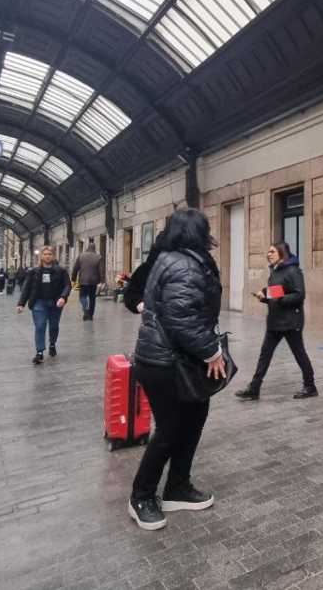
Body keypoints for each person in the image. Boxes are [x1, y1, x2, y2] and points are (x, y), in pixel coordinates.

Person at [128, 208, 226, 531]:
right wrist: (211, 351)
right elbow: (180, 318)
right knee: (171, 430)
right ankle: (141, 496)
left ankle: (177, 487)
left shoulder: (175, 258)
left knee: (194, 418)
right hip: (164, 362)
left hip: (177, 359)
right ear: (197, 232)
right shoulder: (183, 264)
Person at [234, 242, 318, 401]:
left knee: (299, 354)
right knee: (264, 355)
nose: (268, 254)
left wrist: (277, 298)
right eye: (268, 251)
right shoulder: (275, 271)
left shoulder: (293, 271)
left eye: (272, 251)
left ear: (281, 253)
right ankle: (254, 388)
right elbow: (277, 294)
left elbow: (299, 295)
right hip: (274, 322)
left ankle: (310, 386)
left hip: (291, 323)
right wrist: (265, 296)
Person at [16, 246, 71, 365]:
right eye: (45, 254)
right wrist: (21, 304)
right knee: (40, 326)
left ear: (53, 256)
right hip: (39, 302)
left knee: (54, 326)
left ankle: (52, 343)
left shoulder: (61, 271)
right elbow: (26, 288)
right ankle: (39, 352)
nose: (47, 256)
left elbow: (67, 285)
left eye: (50, 254)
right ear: (41, 256)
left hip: (56, 302)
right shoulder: (33, 272)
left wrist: (63, 297)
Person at [72, 243, 105, 321]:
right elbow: (101, 271)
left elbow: (75, 268)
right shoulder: (98, 257)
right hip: (93, 281)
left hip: (83, 280)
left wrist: (73, 279)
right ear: (95, 248)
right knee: (92, 298)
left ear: (87, 248)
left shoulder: (81, 256)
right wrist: (102, 281)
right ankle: (90, 315)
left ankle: (85, 308)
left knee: (82, 296)